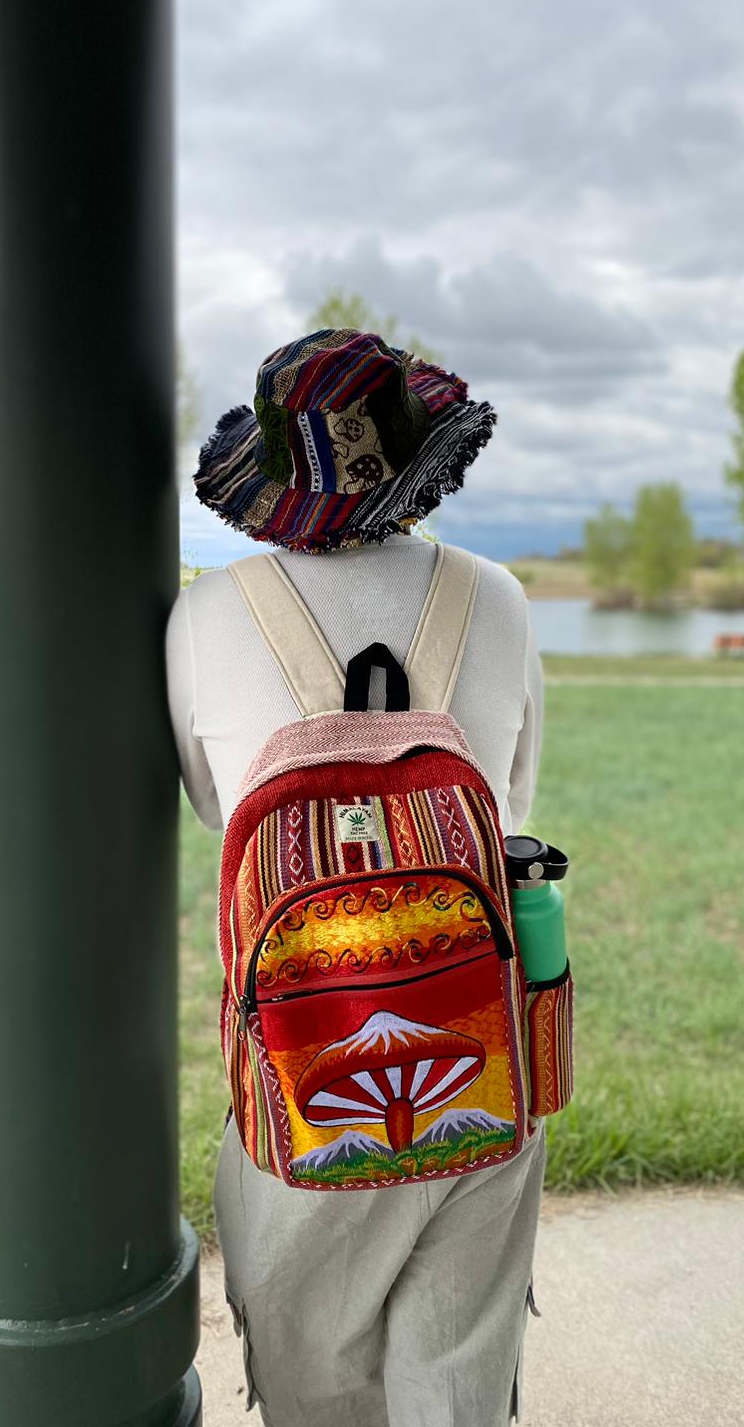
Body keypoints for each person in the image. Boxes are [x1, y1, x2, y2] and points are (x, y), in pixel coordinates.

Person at [165, 328, 547, 1427]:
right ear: (418, 450)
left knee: (310, 1383)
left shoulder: (204, 615)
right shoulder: (502, 600)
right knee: (461, 1378)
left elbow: (216, 809)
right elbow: (509, 804)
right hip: (481, 1058)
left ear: (278, 482)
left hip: (299, 1078)